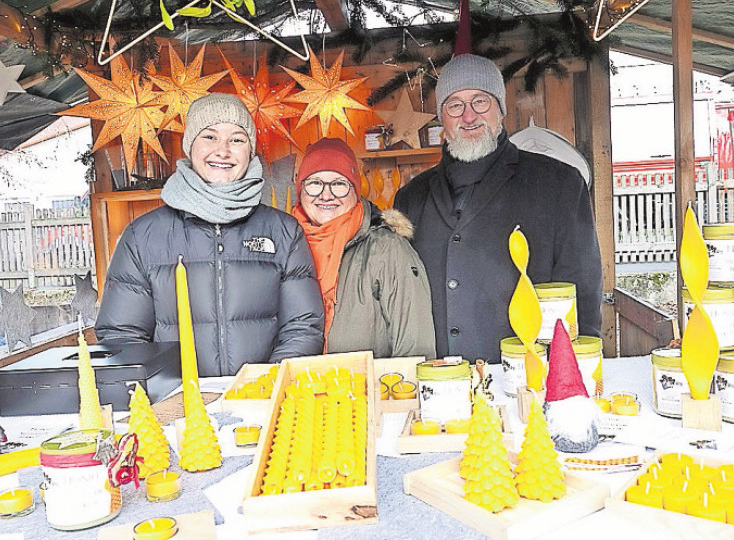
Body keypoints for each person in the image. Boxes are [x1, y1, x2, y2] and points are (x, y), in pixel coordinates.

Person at [95, 94, 324, 376]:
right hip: (175, 404)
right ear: (190, 146)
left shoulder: (284, 231)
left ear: (250, 151)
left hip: (261, 400)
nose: (223, 151)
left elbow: (303, 325)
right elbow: (122, 334)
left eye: (237, 139)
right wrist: (166, 391)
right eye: (210, 137)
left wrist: (266, 385)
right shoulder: (142, 236)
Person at [394, 53, 602, 362]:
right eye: (455, 105)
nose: (468, 116)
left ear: (500, 110)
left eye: (480, 101)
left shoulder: (559, 184)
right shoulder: (411, 197)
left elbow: (582, 292)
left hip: (527, 378)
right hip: (438, 380)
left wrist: (575, 374)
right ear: (442, 117)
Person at [290, 138, 436, 359]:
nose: (326, 194)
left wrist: (400, 391)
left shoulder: (387, 249)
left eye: (339, 183)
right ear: (300, 190)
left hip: (369, 390)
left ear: (355, 190)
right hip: (300, 391)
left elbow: (415, 345)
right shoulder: (285, 246)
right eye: (314, 183)